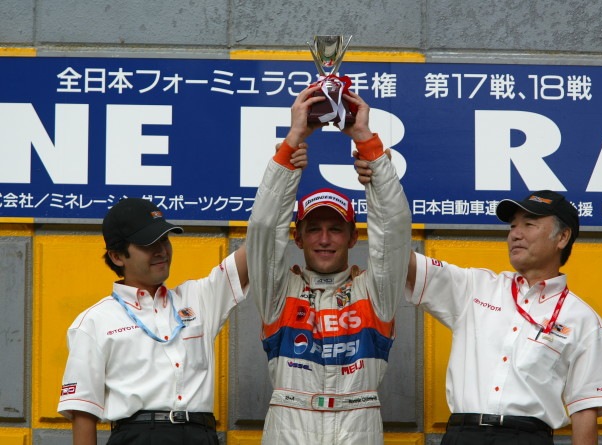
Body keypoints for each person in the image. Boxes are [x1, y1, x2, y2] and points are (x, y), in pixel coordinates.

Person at [359, 166, 602, 445]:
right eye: (513, 226)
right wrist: (379, 177)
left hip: (528, 438)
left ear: (563, 238)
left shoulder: (583, 320)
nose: (515, 234)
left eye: (529, 224)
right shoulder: (476, 286)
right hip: (462, 434)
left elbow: (584, 414)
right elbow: (396, 253)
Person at [246, 85, 412, 444]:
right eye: (314, 229)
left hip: (359, 430)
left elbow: (394, 230)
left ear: (353, 238)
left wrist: (368, 143)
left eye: (336, 229)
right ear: (298, 237)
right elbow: (262, 228)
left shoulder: (375, 292)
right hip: (288, 430)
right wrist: (291, 146)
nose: (324, 239)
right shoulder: (278, 291)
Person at [57, 197, 256, 445]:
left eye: (164, 239)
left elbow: (260, 240)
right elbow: (83, 414)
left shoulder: (199, 297)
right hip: (136, 437)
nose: (161, 250)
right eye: (148, 243)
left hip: (201, 435)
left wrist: (281, 172)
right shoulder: (93, 322)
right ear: (117, 256)